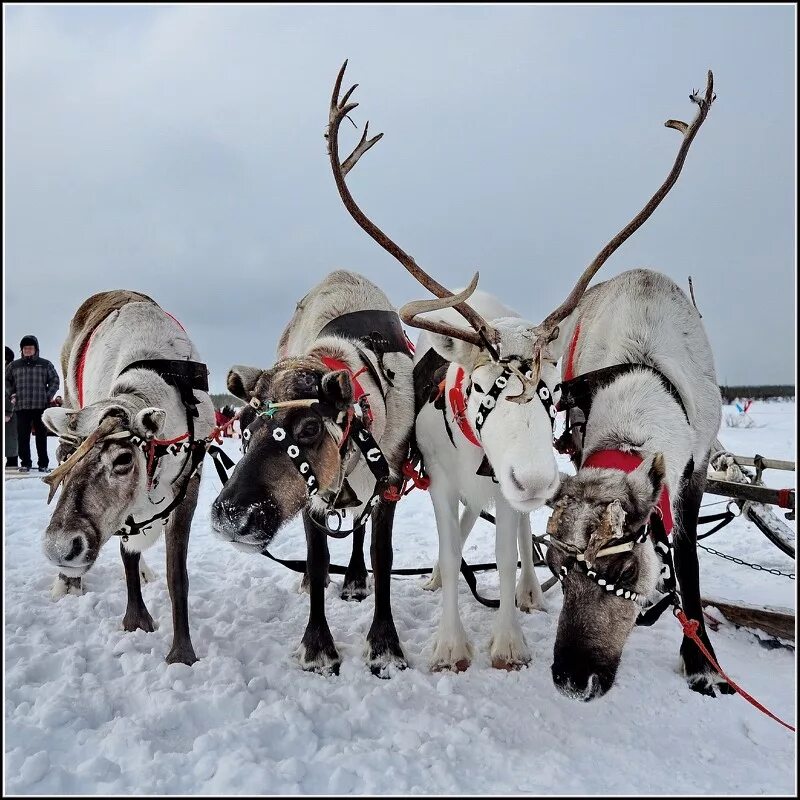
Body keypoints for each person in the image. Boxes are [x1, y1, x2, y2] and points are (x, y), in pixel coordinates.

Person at [5, 335, 60, 473]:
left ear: (36, 349)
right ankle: (25, 463)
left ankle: (43, 463)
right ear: (21, 350)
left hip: (40, 406)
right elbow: (6, 381)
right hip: (21, 406)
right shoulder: (14, 365)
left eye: (30, 348)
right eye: (25, 348)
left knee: (41, 437)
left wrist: (48, 395)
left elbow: (55, 380)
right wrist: (12, 393)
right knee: (22, 437)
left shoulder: (45, 364)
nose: (28, 350)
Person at [4, 346, 18, 469]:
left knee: (10, 440)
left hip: (9, 413)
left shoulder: (11, 372)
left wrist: (8, 411)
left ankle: (12, 464)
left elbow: (14, 394)